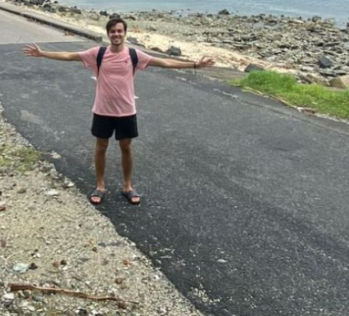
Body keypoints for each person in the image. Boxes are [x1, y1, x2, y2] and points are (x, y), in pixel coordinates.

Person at [23, 16, 213, 206]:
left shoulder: (134, 55)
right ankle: (100, 185)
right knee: (101, 147)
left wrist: (195, 64)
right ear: (108, 34)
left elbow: (164, 63)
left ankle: (128, 186)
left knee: (126, 148)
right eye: (113, 31)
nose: (116, 34)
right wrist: (43, 54)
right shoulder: (98, 53)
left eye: (119, 31)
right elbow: (70, 56)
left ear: (124, 33)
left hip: (126, 111)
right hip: (103, 110)